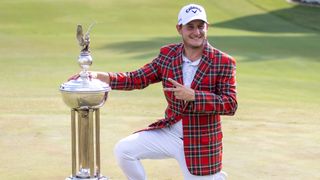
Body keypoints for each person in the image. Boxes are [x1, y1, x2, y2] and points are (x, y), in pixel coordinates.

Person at [72, 3, 237, 180]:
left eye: (200, 26)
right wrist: (99, 76)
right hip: (170, 132)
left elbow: (230, 104)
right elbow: (137, 78)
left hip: (201, 145)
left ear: (207, 27)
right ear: (179, 29)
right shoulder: (168, 55)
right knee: (124, 150)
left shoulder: (223, 61)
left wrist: (195, 96)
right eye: (190, 27)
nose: (196, 32)